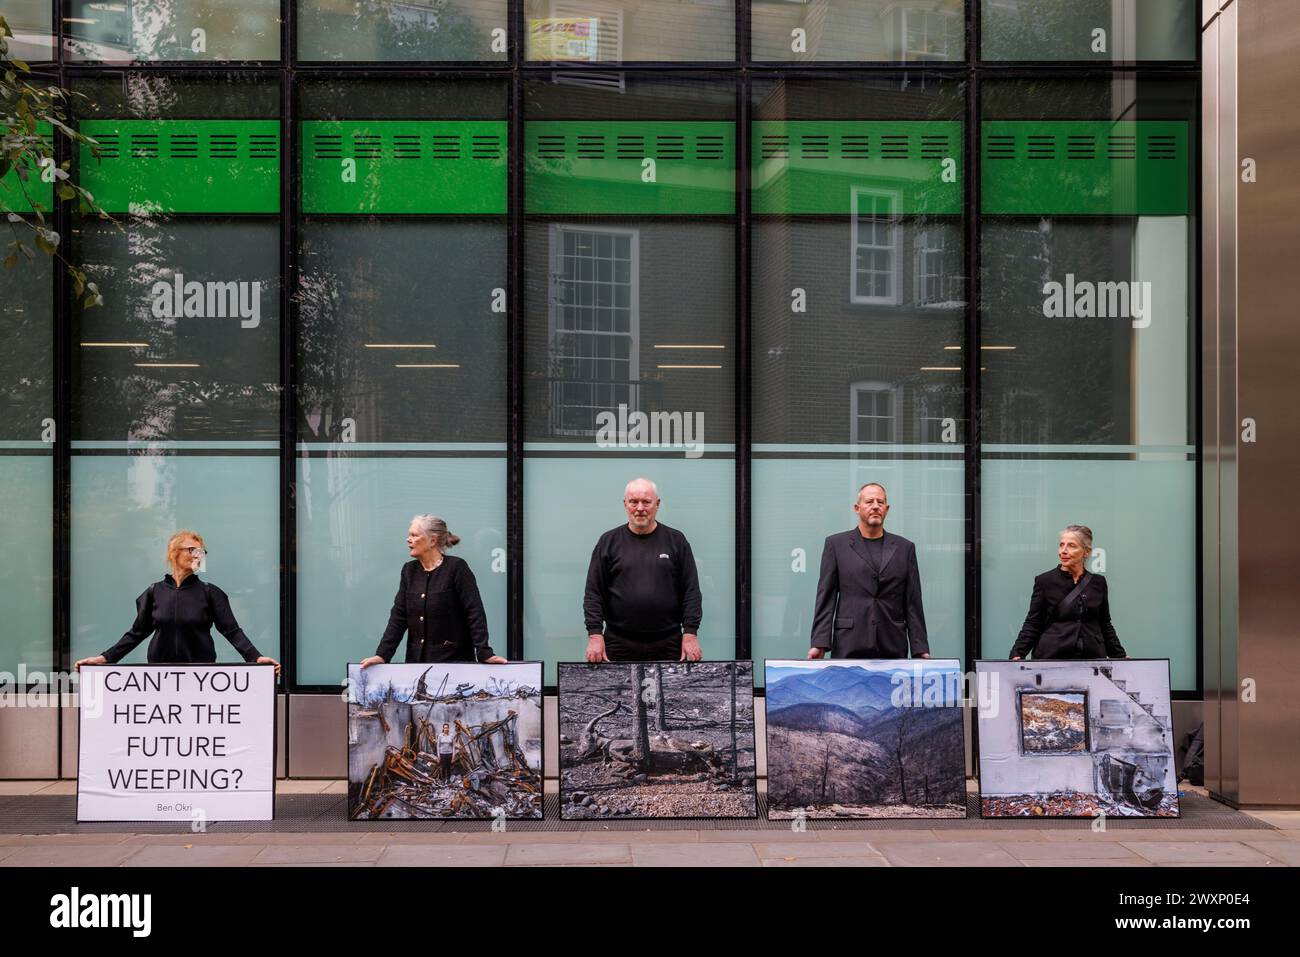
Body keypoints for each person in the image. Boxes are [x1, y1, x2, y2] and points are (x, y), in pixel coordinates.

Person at [74, 530, 281, 674]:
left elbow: (232, 631)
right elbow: (136, 634)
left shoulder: (211, 593)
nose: (198, 555)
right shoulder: (154, 592)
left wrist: (255, 658)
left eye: (201, 552)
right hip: (160, 677)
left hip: (200, 677)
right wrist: (105, 658)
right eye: (192, 549)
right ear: (174, 553)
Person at [359, 515, 506, 668]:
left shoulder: (456, 568)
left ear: (433, 540)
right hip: (416, 663)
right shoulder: (409, 571)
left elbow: (474, 612)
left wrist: (484, 652)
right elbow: (399, 616)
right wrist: (382, 655)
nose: (408, 539)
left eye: (414, 535)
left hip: (453, 663)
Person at [584, 477, 703, 663]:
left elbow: (691, 591)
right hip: (618, 642)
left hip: (668, 642)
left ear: (657, 504)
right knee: (618, 693)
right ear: (625, 504)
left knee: (671, 693)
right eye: (634, 502)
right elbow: (593, 593)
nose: (640, 508)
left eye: (646, 502)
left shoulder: (677, 541)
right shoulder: (608, 543)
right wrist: (595, 635)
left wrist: (690, 633)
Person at [809, 482, 930, 660]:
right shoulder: (836, 545)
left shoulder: (905, 548)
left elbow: (913, 603)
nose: (875, 506)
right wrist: (819, 643)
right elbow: (826, 597)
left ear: (887, 509)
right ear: (857, 508)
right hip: (849, 643)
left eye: (880, 502)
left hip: (892, 644)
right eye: (869, 501)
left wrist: (920, 648)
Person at [1010, 524, 1126, 660]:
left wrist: (1120, 656)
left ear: (1086, 552)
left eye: (1071, 545)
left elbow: (1104, 623)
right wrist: (1018, 653)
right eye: (1061, 545)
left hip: (1092, 659)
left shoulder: (1098, 583)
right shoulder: (1044, 581)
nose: (1063, 551)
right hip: (1052, 657)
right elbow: (1033, 622)